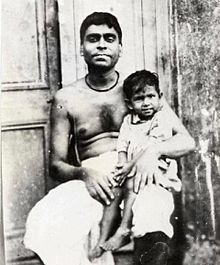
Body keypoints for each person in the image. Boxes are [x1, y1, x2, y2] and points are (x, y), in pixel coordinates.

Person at [23, 12, 195, 265]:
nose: (102, 44)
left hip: (142, 173)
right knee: (47, 220)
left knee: (152, 213)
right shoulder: (66, 98)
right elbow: (56, 165)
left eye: (109, 38)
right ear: (82, 49)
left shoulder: (140, 91)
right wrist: (85, 174)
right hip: (97, 179)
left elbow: (186, 141)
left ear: (120, 48)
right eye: (93, 39)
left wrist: (152, 152)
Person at [88, 70, 184, 262]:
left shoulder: (161, 120)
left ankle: (123, 229)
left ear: (160, 98)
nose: (146, 103)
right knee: (113, 189)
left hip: (156, 171)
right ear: (130, 103)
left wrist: (129, 167)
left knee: (132, 181)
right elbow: (123, 146)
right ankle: (103, 238)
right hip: (132, 169)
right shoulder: (128, 122)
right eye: (140, 99)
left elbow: (149, 151)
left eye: (151, 97)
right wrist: (121, 166)